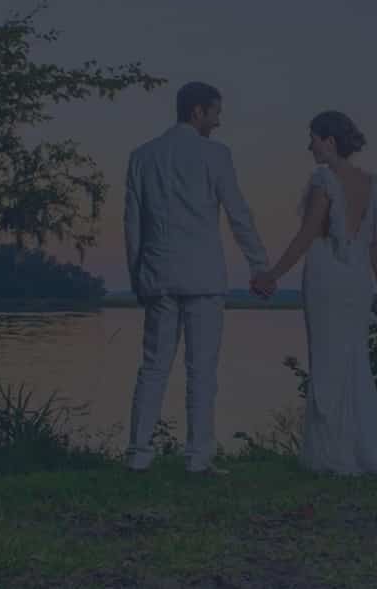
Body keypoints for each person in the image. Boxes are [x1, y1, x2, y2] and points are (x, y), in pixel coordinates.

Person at [124, 81, 273, 475]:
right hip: (203, 276)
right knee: (201, 370)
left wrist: (136, 275)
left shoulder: (142, 156)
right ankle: (198, 457)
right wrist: (259, 265)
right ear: (198, 112)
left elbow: (132, 225)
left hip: (157, 274)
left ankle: (139, 454)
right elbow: (238, 214)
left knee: (153, 366)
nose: (219, 121)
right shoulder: (215, 155)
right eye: (216, 112)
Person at [251, 110, 377, 481]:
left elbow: (308, 235)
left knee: (326, 360)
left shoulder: (324, 179)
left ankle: (331, 455)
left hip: (326, 277)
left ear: (330, 141)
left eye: (314, 138)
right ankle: (362, 449)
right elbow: (375, 242)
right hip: (357, 281)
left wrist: (272, 274)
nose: (310, 146)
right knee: (354, 360)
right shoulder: (372, 186)